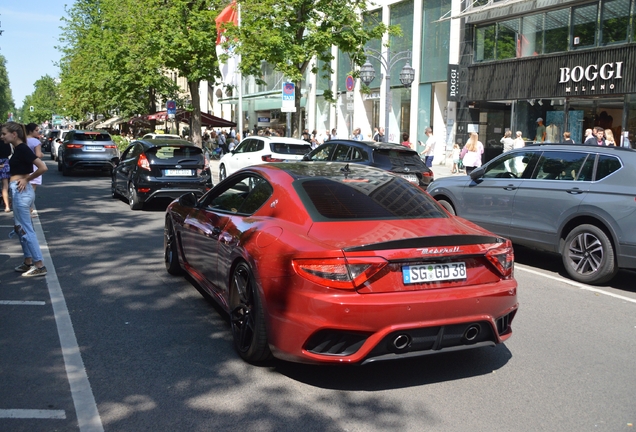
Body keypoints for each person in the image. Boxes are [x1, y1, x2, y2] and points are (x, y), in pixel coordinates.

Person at [1, 122, 48, 277]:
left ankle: (39, 265)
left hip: (22, 191)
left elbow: (42, 167)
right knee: (19, 228)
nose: (2, 137)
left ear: (14, 134)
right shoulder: (18, 149)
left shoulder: (22, 149)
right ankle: (28, 261)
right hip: (19, 190)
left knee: (26, 229)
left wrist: (27, 179)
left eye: (4, 134)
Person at [26, 123, 44, 217]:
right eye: (36, 130)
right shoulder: (35, 142)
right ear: (30, 131)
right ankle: (29, 210)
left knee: (24, 190)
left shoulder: (23, 140)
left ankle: (26, 210)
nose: (38, 132)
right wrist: (42, 155)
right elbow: (37, 155)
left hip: (24, 166)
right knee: (32, 190)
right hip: (34, 167)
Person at [0, 132, 11, 212]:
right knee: (5, 186)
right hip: (5, 163)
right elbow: (9, 152)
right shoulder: (6, 142)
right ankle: (6, 205)